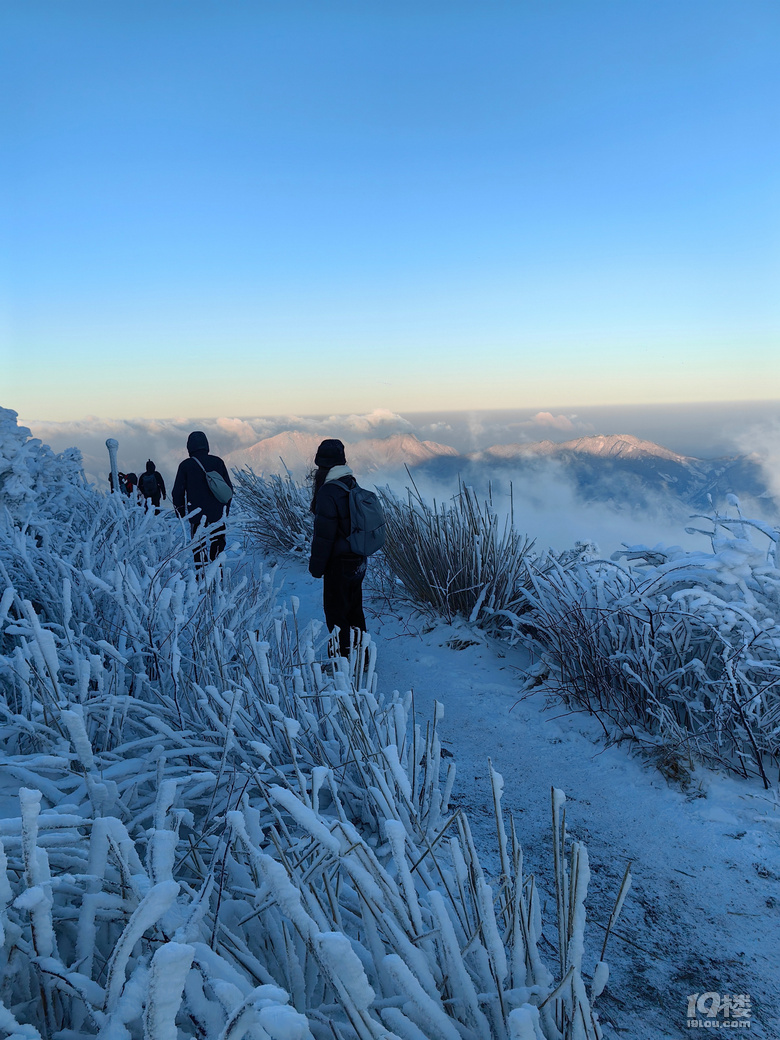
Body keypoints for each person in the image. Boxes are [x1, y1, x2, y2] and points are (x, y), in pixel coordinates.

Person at [308, 438, 367, 657]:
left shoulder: (327, 492)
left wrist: (316, 567)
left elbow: (324, 537)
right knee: (354, 611)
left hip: (338, 564)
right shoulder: (351, 482)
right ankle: (362, 657)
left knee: (335, 614)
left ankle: (341, 663)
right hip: (358, 559)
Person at [171, 431, 233, 568]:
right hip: (217, 514)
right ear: (206, 445)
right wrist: (225, 511)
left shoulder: (186, 465)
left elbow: (177, 492)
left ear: (189, 447)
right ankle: (218, 576)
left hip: (197, 515)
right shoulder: (218, 462)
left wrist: (181, 513)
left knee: (198, 547)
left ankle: (202, 578)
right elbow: (228, 489)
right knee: (218, 544)